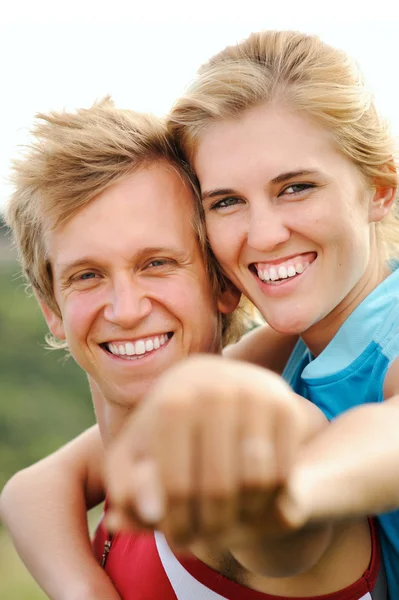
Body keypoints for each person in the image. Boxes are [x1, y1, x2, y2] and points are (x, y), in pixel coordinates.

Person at [0, 99, 384, 600]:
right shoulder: (124, 460)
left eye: (157, 263)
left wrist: (278, 499)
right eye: (87, 276)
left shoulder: (258, 441)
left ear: (223, 286)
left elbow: (280, 524)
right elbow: (31, 488)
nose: (126, 308)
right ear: (53, 307)